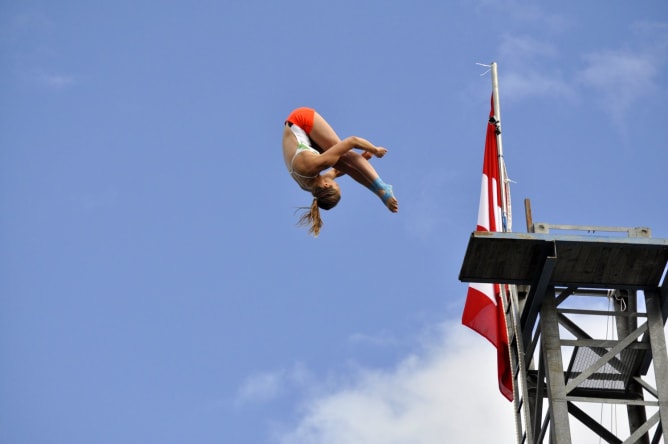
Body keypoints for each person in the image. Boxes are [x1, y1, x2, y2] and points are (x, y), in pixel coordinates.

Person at [282, 107, 398, 236]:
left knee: (344, 155)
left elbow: (352, 141)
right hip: (303, 140)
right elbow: (336, 172)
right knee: (342, 163)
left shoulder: (314, 165)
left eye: (336, 185)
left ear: (326, 186)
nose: (335, 182)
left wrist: (375, 150)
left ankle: (382, 188)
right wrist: (363, 159)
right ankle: (381, 193)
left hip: (299, 120)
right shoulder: (310, 185)